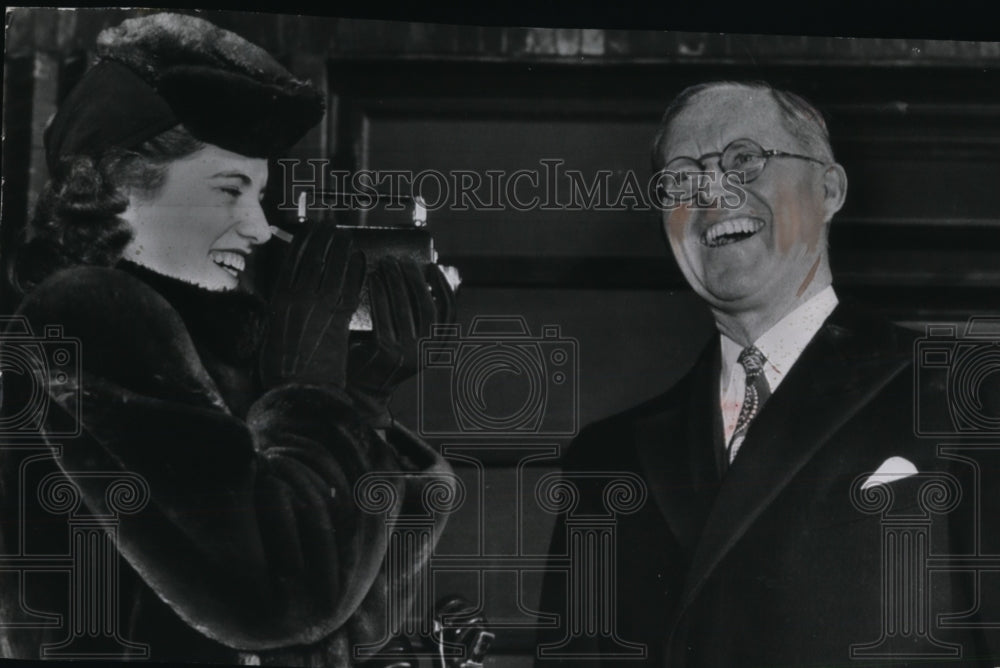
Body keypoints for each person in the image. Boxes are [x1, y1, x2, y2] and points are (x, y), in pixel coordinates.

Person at [0, 12, 456, 666]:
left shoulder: (194, 339)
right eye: (229, 190)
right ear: (120, 189)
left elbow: (340, 636)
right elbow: (278, 604)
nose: (258, 227)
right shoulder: (85, 314)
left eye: (261, 195)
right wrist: (312, 398)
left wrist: (364, 404)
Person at [536, 81, 999, 666]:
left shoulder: (969, 391)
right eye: (680, 178)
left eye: (744, 161)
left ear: (829, 188)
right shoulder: (604, 459)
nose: (712, 194)